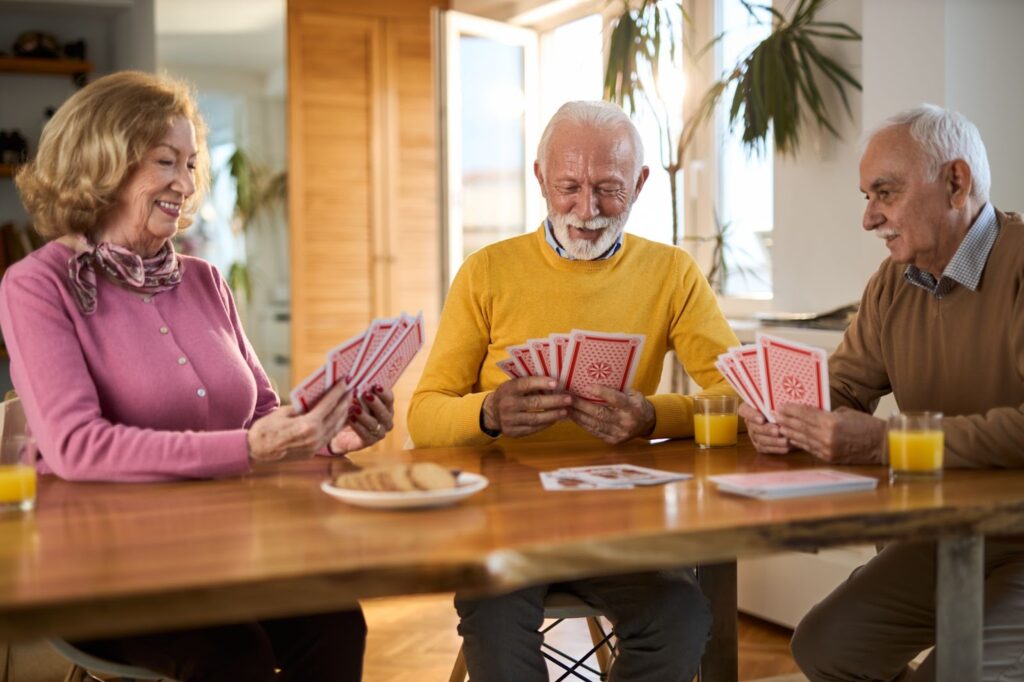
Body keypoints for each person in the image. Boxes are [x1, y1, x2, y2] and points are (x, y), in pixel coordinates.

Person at [0, 71, 394, 682]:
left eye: (191, 164)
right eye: (166, 162)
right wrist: (249, 447)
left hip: (227, 547)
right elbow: (76, 448)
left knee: (335, 620)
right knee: (232, 657)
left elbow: (263, 415)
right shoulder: (37, 284)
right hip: (104, 565)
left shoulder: (206, 280)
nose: (186, 184)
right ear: (106, 161)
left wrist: (329, 433)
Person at [409, 100, 739, 681]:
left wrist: (651, 416)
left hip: (617, 517)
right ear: (539, 177)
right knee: (499, 638)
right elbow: (424, 415)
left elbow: (736, 396)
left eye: (609, 189)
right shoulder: (486, 272)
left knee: (681, 618)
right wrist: (487, 413)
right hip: (503, 523)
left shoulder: (673, 273)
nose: (586, 210)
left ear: (640, 183)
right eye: (568, 186)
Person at [741, 104, 1024, 681]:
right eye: (866, 197)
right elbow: (842, 387)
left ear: (955, 182)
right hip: (949, 533)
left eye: (885, 193)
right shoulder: (893, 283)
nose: (869, 218)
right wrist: (788, 418)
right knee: (824, 647)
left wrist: (884, 443)